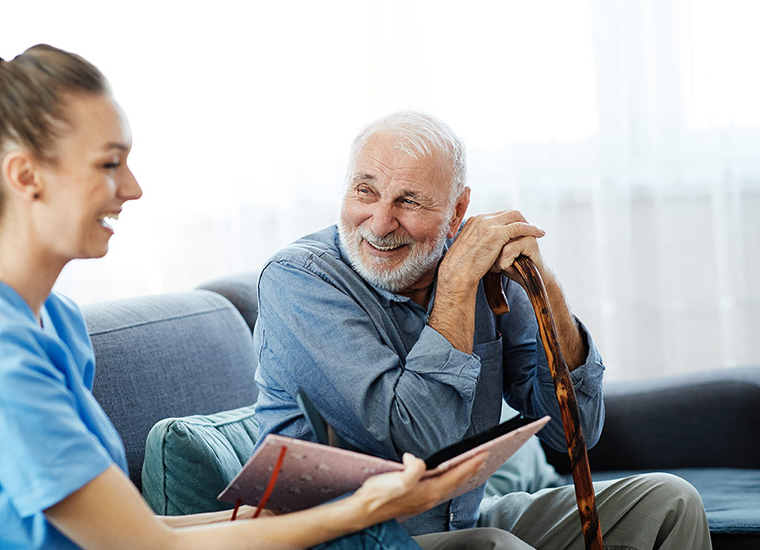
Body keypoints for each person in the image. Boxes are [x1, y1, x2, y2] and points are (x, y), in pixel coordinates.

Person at [0, 46, 490, 550]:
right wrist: (370, 506)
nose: (132, 187)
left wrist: (252, 521)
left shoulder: (54, 323)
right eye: (110, 163)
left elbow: (129, 530)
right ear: (26, 176)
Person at [252, 111, 712, 549]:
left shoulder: (481, 272)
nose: (380, 221)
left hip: (462, 522)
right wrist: (455, 284)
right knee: (490, 546)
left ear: (457, 211)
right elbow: (417, 438)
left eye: (408, 200)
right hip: (351, 538)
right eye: (365, 191)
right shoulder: (299, 281)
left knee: (668, 501)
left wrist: (543, 283)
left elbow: (577, 433)